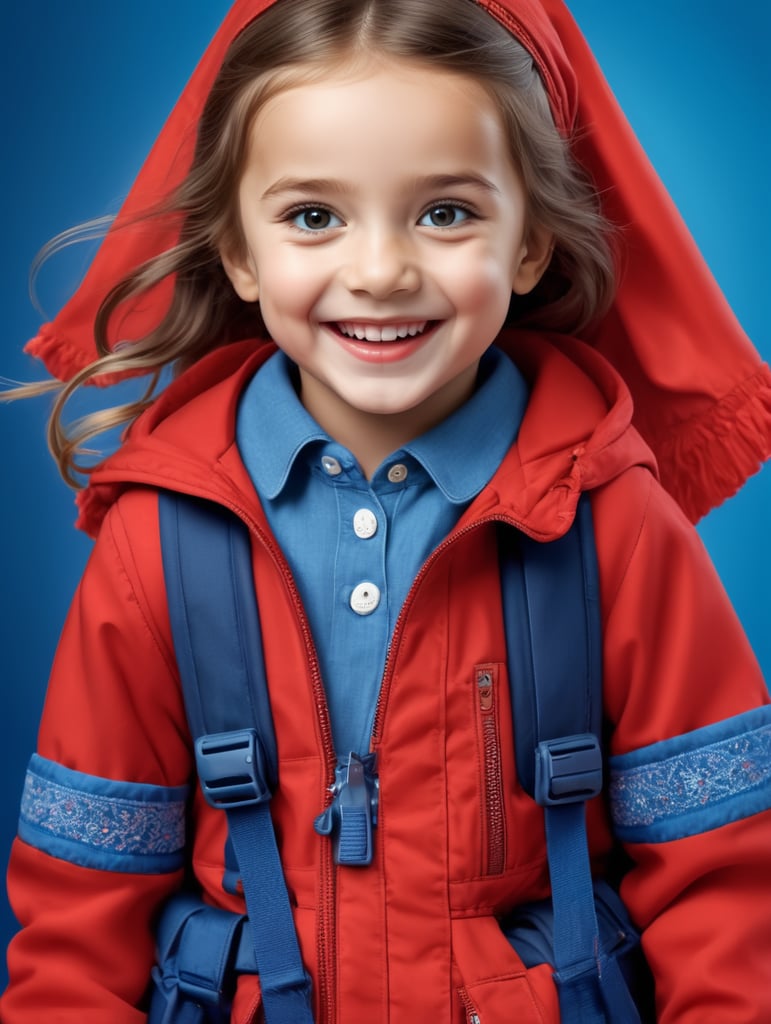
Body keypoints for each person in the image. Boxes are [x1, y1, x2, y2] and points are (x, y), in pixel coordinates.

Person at [2, 0, 770, 1020]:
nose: (379, 272)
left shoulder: (616, 522)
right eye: (314, 216)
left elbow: (727, 890)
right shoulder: (158, 535)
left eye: (446, 211)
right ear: (238, 252)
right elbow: (77, 917)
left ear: (532, 243)